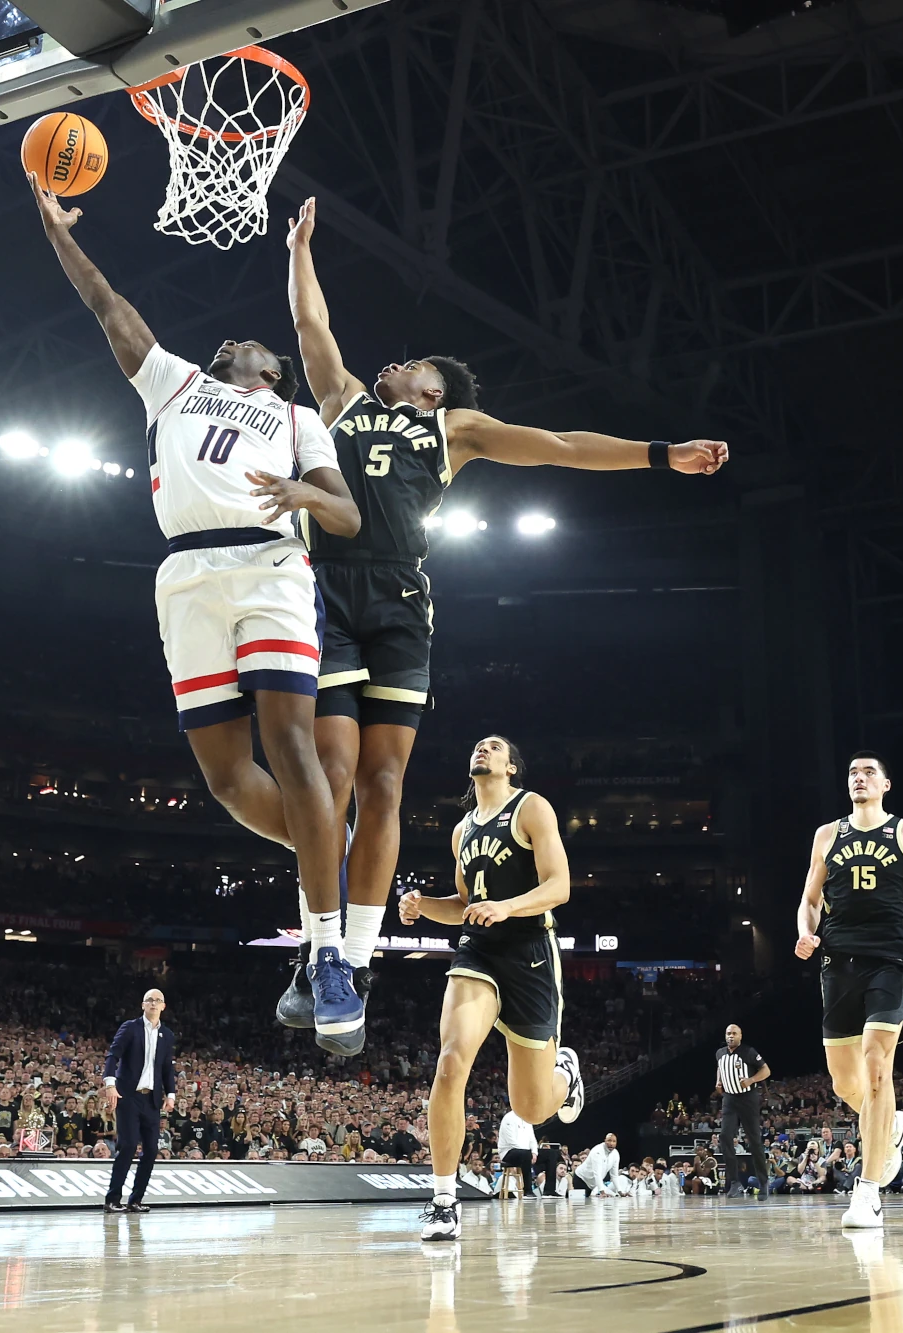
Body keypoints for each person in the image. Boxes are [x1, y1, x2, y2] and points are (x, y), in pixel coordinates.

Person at [275, 198, 732, 1049]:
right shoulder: (338, 401)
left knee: (383, 787)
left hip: (401, 603)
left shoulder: (457, 429)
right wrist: (300, 249)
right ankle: (321, 949)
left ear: (436, 390)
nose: (399, 362)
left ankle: (359, 964)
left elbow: (560, 443)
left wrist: (660, 454)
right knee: (331, 776)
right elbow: (310, 324)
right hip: (330, 587)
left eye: (416, 364)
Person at [30, 184, 365, 1055]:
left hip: (268, 567)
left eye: (245, 342)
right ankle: (329, 846)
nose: (229, 340)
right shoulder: (174, 384)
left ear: (272, 369)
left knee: (291, 751)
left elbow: (348, 516)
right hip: (185, 576)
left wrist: (301, 491)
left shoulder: (296, 417)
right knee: (223, 779)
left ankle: (328, 952)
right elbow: (109, 304)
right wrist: (56, 234)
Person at [399, 735, 585, 1241]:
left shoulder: (531, 808)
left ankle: (565, 1075)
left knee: (529, 1108)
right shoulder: (462, 831)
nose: (484, 749)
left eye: (495, 746)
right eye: (479, 745)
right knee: (451, 1059)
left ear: (511, 767)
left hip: (529, 952)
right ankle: (442, 1200)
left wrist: (507, 906)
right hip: (478, 951)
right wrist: (422, 906)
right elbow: (464, 905)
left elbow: (559, 886)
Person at [793, 751, 903, 1230]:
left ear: (885, 785)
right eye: (852, 774)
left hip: (891, 958)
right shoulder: (828, 835)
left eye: (867, 773)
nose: (858, 779)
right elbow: (810, 901)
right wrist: (806, 931)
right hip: (837, 961)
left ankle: (869, 1192)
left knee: (877, 1065)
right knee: (844, 1082)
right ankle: (892, 1125)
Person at [102, 989, 177, 1213]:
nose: (153, 1004)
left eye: (158, 1001)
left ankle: (136, 1200)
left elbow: (167, 1067)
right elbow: (112, 1055)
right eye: (149, 1000)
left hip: (152, 1099)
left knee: (152, 1149)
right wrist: (110, 1084)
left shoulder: (167, 1035)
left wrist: (171, 1094)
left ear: (164, 1006)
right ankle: (112, 1199)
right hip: (128, 1096)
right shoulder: (130, 1028)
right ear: (143, 1005)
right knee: (127, 1146)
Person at [714, 1024, 770, 1197]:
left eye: (734, 1034)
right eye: (728, 1033)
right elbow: (720, 1067)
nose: (730, 1036)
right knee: (724, 1136)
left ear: (740, 1036)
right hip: (729, 1099)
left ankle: (763, 1182)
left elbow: (766, 1070)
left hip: (747, 1098)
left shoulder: (749, 1052)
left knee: (754, 1141)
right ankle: (735, 1182)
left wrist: (751, 1080)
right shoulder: (720, 1053)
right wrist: (718, 1081)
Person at [497, 1110, 538, 1196]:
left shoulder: (528, 1120)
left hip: (526, 1152)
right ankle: (528, 1191)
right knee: (525, 1154)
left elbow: (532, 1139)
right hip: (508, 1152)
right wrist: (529, 1152)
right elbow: (511, 1141)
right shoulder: (509, 1118)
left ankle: (549, 1190)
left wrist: (534, 1152)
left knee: (550, 1154)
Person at [573, 1133, 623, 1198]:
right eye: (609, 1140)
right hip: (581, 1179)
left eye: (614, 1141)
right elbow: (597, 1173)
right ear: (605, 1141)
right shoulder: (597, 1151)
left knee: (588, 1205)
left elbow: (614, 1175)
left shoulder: (616, 1154)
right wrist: (602, 1192)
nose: (611, 1143)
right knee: (580, 1205)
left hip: (593, 1184)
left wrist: (620, 1192)